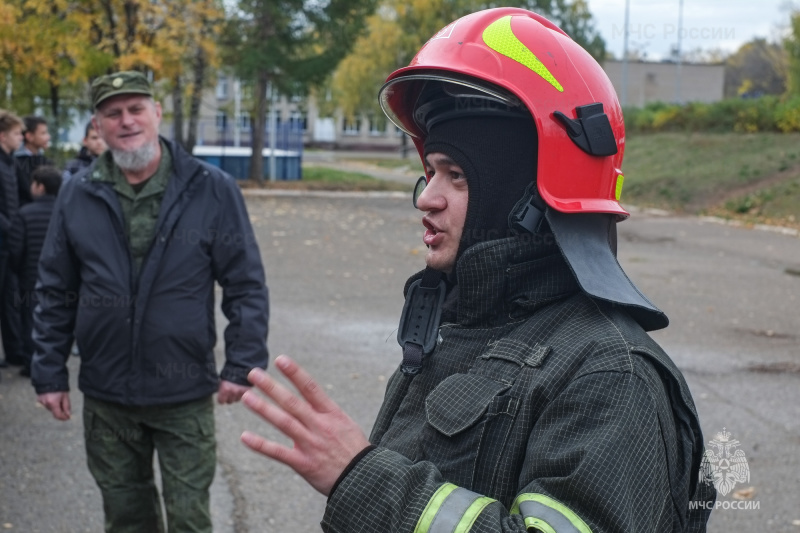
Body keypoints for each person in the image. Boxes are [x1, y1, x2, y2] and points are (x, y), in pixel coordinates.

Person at [240, 8, 715, 533]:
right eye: (429, 172)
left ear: (529, 197)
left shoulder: (610, 376)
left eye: (457, 176)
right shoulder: (469, 328)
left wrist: (362, 478)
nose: (428, 199)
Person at [31, 71, 270, 533]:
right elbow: (55, 290)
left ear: (157, 113)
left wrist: (243, 363)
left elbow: (244, 282)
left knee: (188, 519)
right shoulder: (77, 194)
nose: (126, 121)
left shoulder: (210, 187)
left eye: (136, 108)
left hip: (183, 394)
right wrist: (48, 372)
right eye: (112, 113)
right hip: (106, 393)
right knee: (126, 518)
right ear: (97, 125)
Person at [7, 165, 61, 377]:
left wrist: (16, 270)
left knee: (30, 319)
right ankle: (54, 362)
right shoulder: (64, 211)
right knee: (56, 317)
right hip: (58, 275)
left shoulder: (24, 213)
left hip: (30, 275)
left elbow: (16, 249)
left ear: (39, 186)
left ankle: (31, 363)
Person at [0, 109, 25, 369]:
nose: (21, 138)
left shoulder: (11, 162)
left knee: (10, 297)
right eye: (16, 133)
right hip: (4, 238)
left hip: (9, 243)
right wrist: (11, 227)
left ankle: (14, 350)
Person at [15, 115, 53, 205]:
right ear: (29, 136)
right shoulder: (16, 162)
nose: (48, 137)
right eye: (43, 133)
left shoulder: (46, 162)